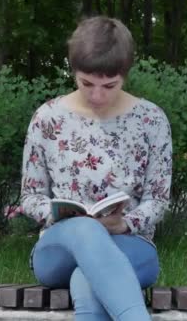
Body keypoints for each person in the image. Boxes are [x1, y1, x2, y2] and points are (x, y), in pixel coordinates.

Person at [20, 16, 173, 321]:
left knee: (87, 281)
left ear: (125, 75)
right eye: (86, 83)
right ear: (73, 71)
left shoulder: (151, 120)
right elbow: (30, 196)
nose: (97, 95)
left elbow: (158, 199)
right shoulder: (48, 118)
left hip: (131, 245)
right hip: (58, 250)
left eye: (109, 85)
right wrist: (62, 216)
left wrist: (125, 223)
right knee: (85, 229)